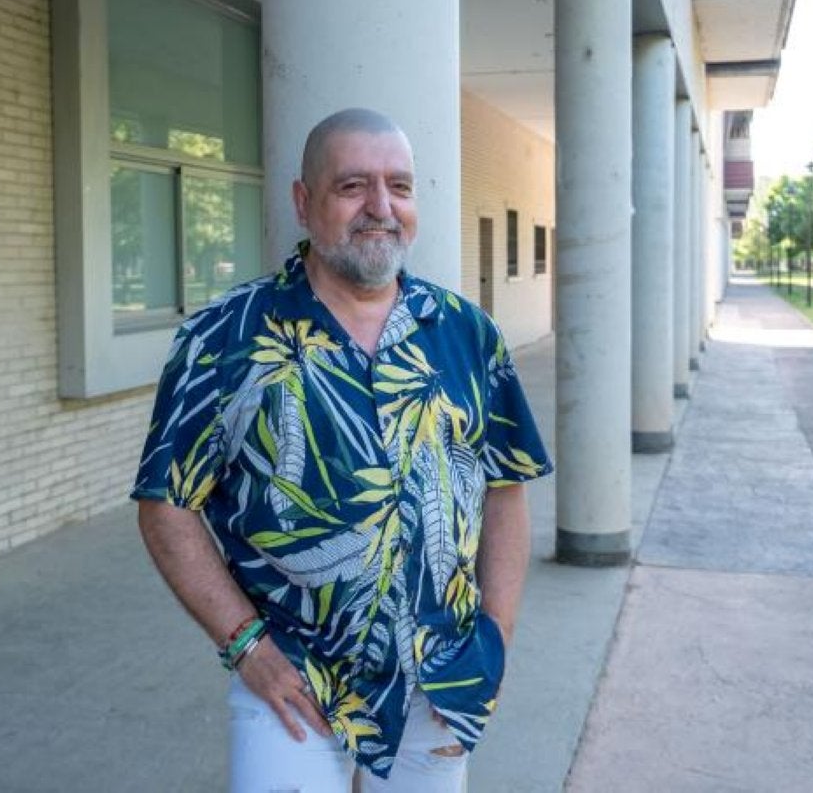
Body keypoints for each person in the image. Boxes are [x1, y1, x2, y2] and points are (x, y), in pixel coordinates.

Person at [132, 107, 552, 791]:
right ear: (304, 202)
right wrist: (245, 647)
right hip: (291, 679)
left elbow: (506, 487)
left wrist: (495, 636)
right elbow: (166, 505)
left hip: (439, 678)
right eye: (353, 186)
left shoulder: (468, 335)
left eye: (401, 187)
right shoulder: (223, 339)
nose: (380, 208)